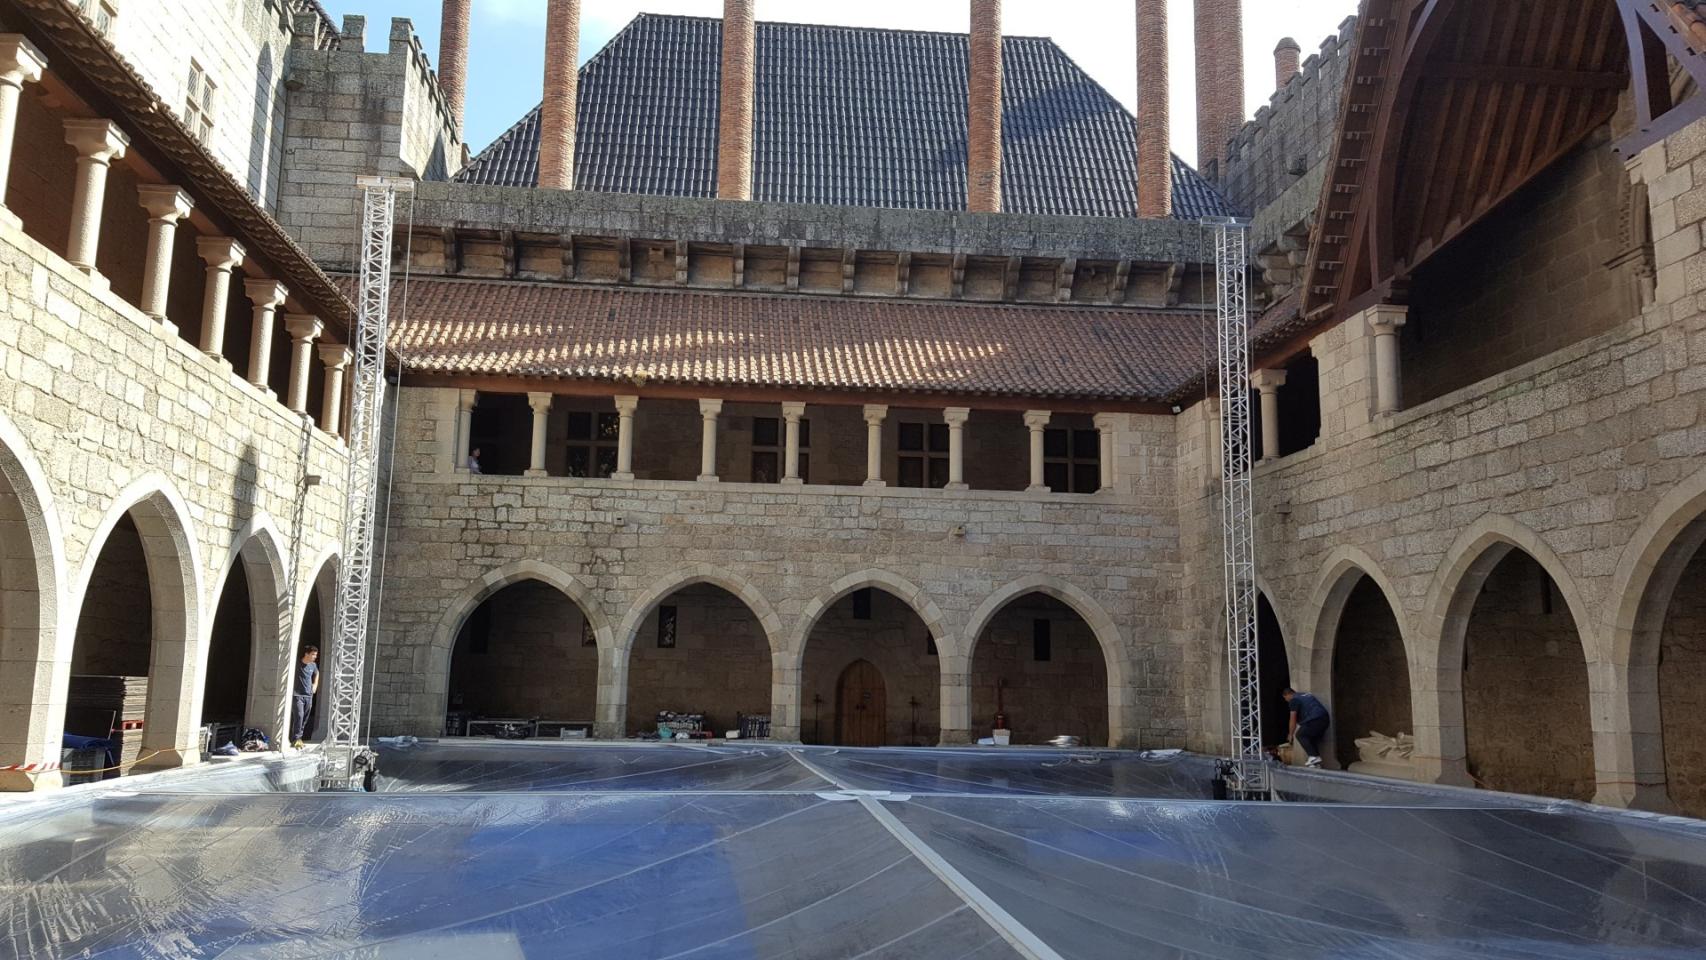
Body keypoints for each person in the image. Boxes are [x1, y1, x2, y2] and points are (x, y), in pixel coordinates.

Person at [1282, 687, 1330, 768]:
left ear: (1288, 695)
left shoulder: (1294, 700)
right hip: (1325, 719)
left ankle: (1314, 757)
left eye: (1285, 698)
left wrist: (1290, 734)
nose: (1286, 700)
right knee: (1310, 738)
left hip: (1315, 719)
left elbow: (1292, 719)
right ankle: (1315, 763)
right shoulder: (1306, 695)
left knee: (1300, 735)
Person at [292, 646, 319, 748]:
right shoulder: (297, 663)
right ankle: (296, 739)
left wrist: (315, 685)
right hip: (297, 695)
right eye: (313, 654)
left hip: (309, 695)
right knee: (299, 716)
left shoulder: (313, 665)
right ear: (306, 654)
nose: (315, 657)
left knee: (305, 718)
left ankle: (299, 738)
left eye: (315, 655)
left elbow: (317, 673)